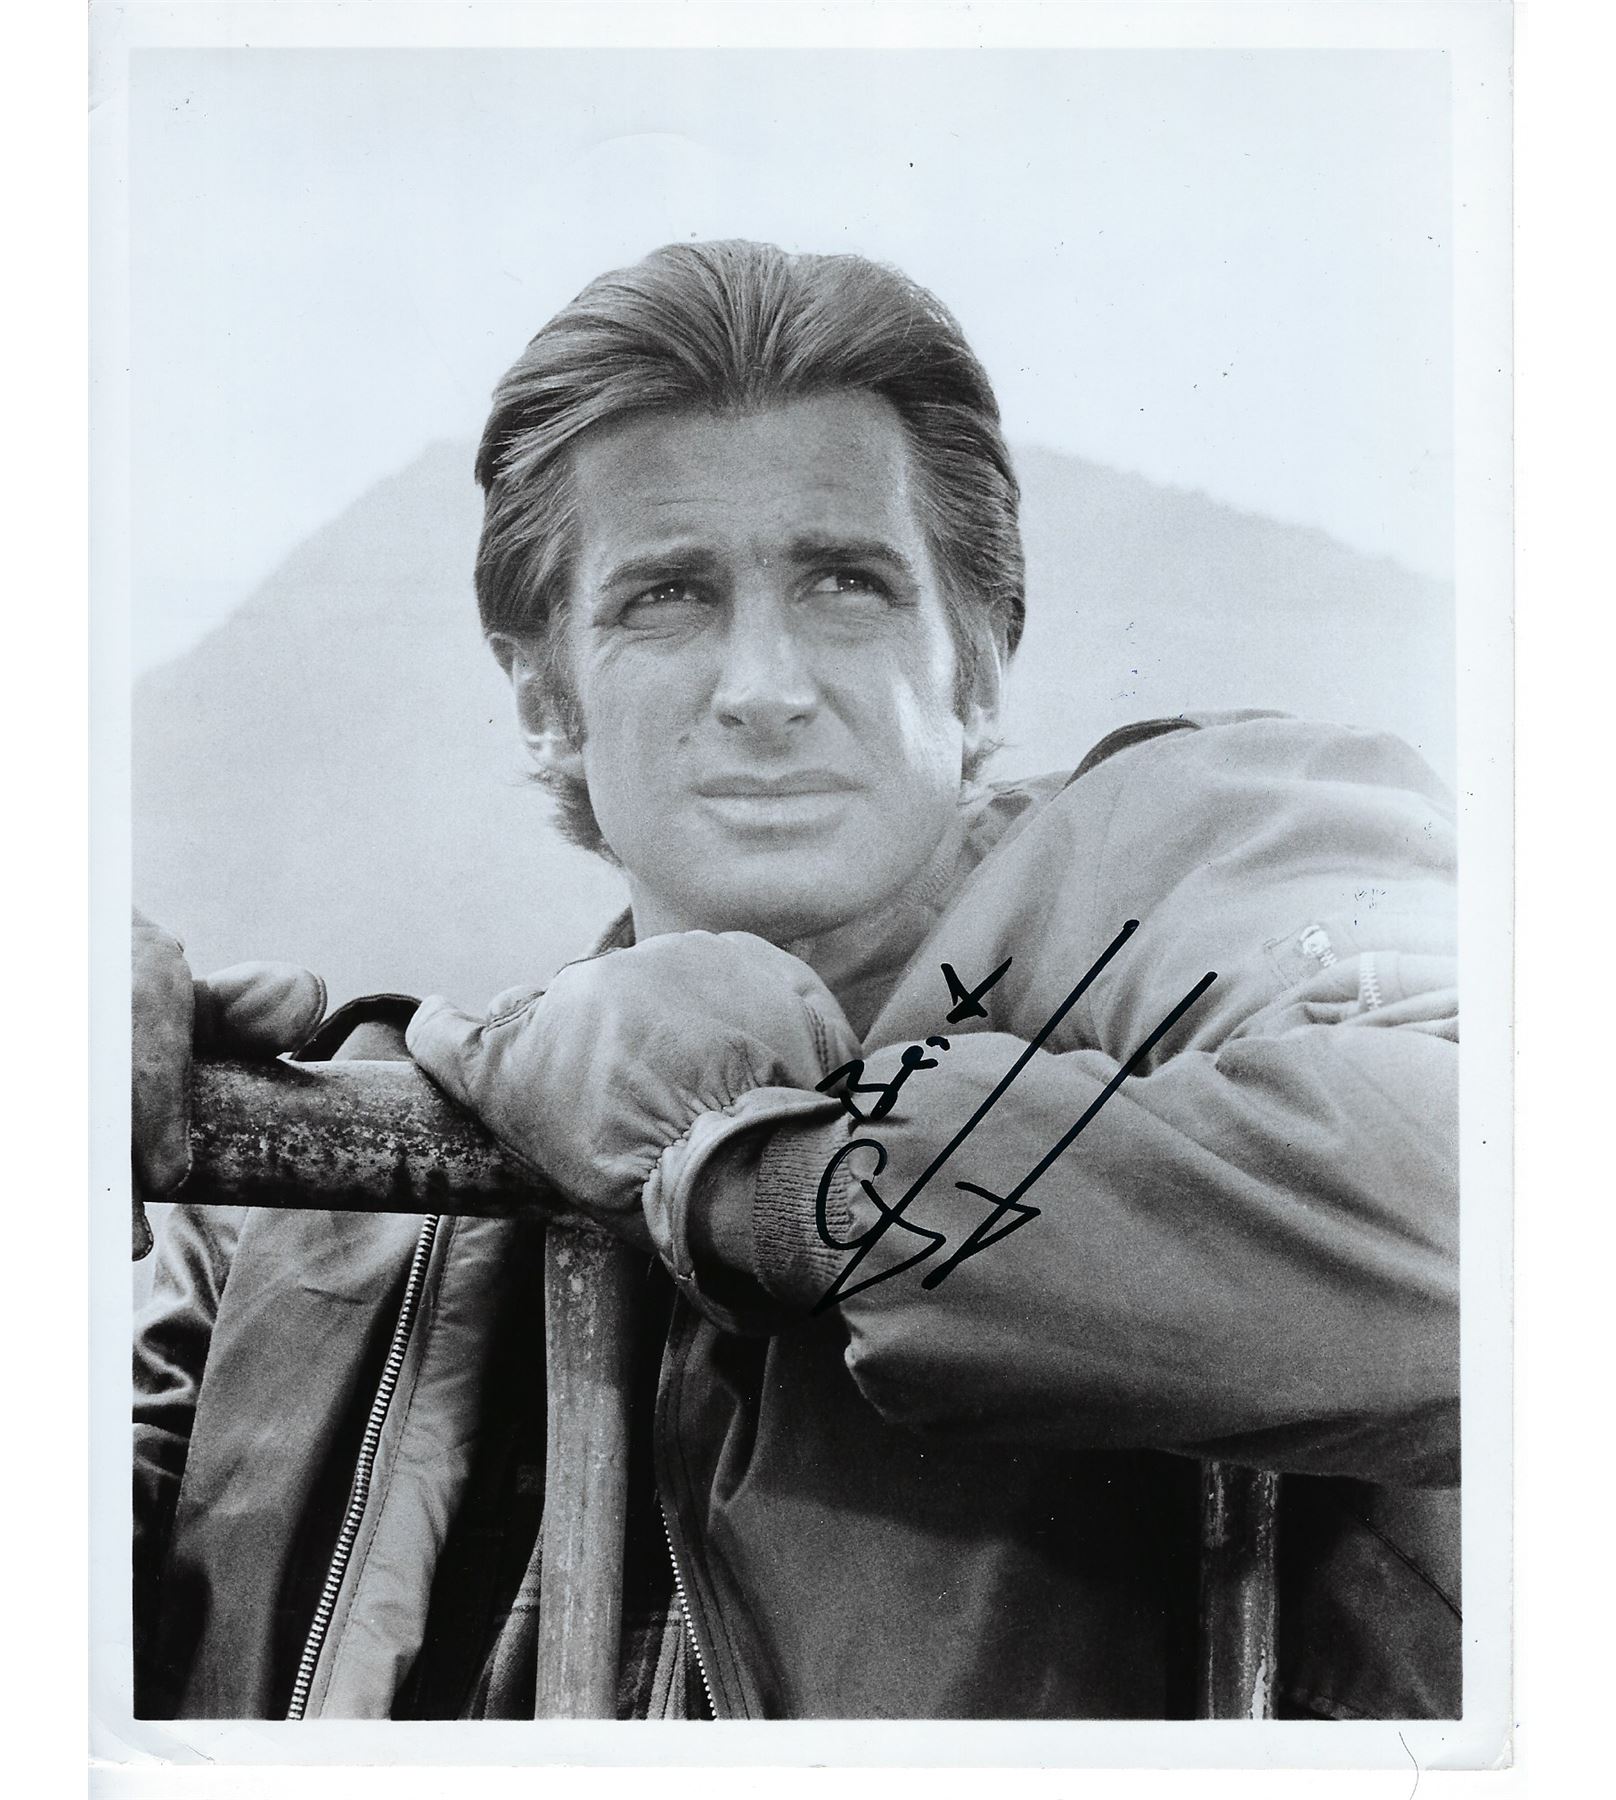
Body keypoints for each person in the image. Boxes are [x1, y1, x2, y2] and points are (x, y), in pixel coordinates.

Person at [132, 239, 1460, 1722]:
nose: (763, 687)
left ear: (976, 669)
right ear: (546, 698)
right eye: (668, 596)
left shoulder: (1204, 865)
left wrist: (745, 1170)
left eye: (846, 584)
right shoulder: (305, 1198)